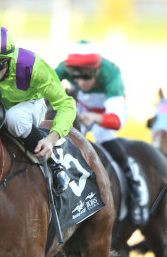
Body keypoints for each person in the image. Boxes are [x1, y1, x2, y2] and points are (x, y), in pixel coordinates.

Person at [0, 23, 74, 196]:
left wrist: (52, 138)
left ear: (9, 60)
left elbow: (66, 104)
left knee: (14, 118)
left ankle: (54, 165)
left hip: (29, 105)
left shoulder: (33, 66)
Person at [55, 41, 146, 225]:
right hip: (79, 107)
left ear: (97, 70)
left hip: (107, 110)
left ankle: (135, 187)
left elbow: (116, 121)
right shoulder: (63, 69)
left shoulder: (111, 74)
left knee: (103, 136)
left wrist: (95, 118)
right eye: (75, 76)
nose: (81, 81)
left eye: (87, 75)